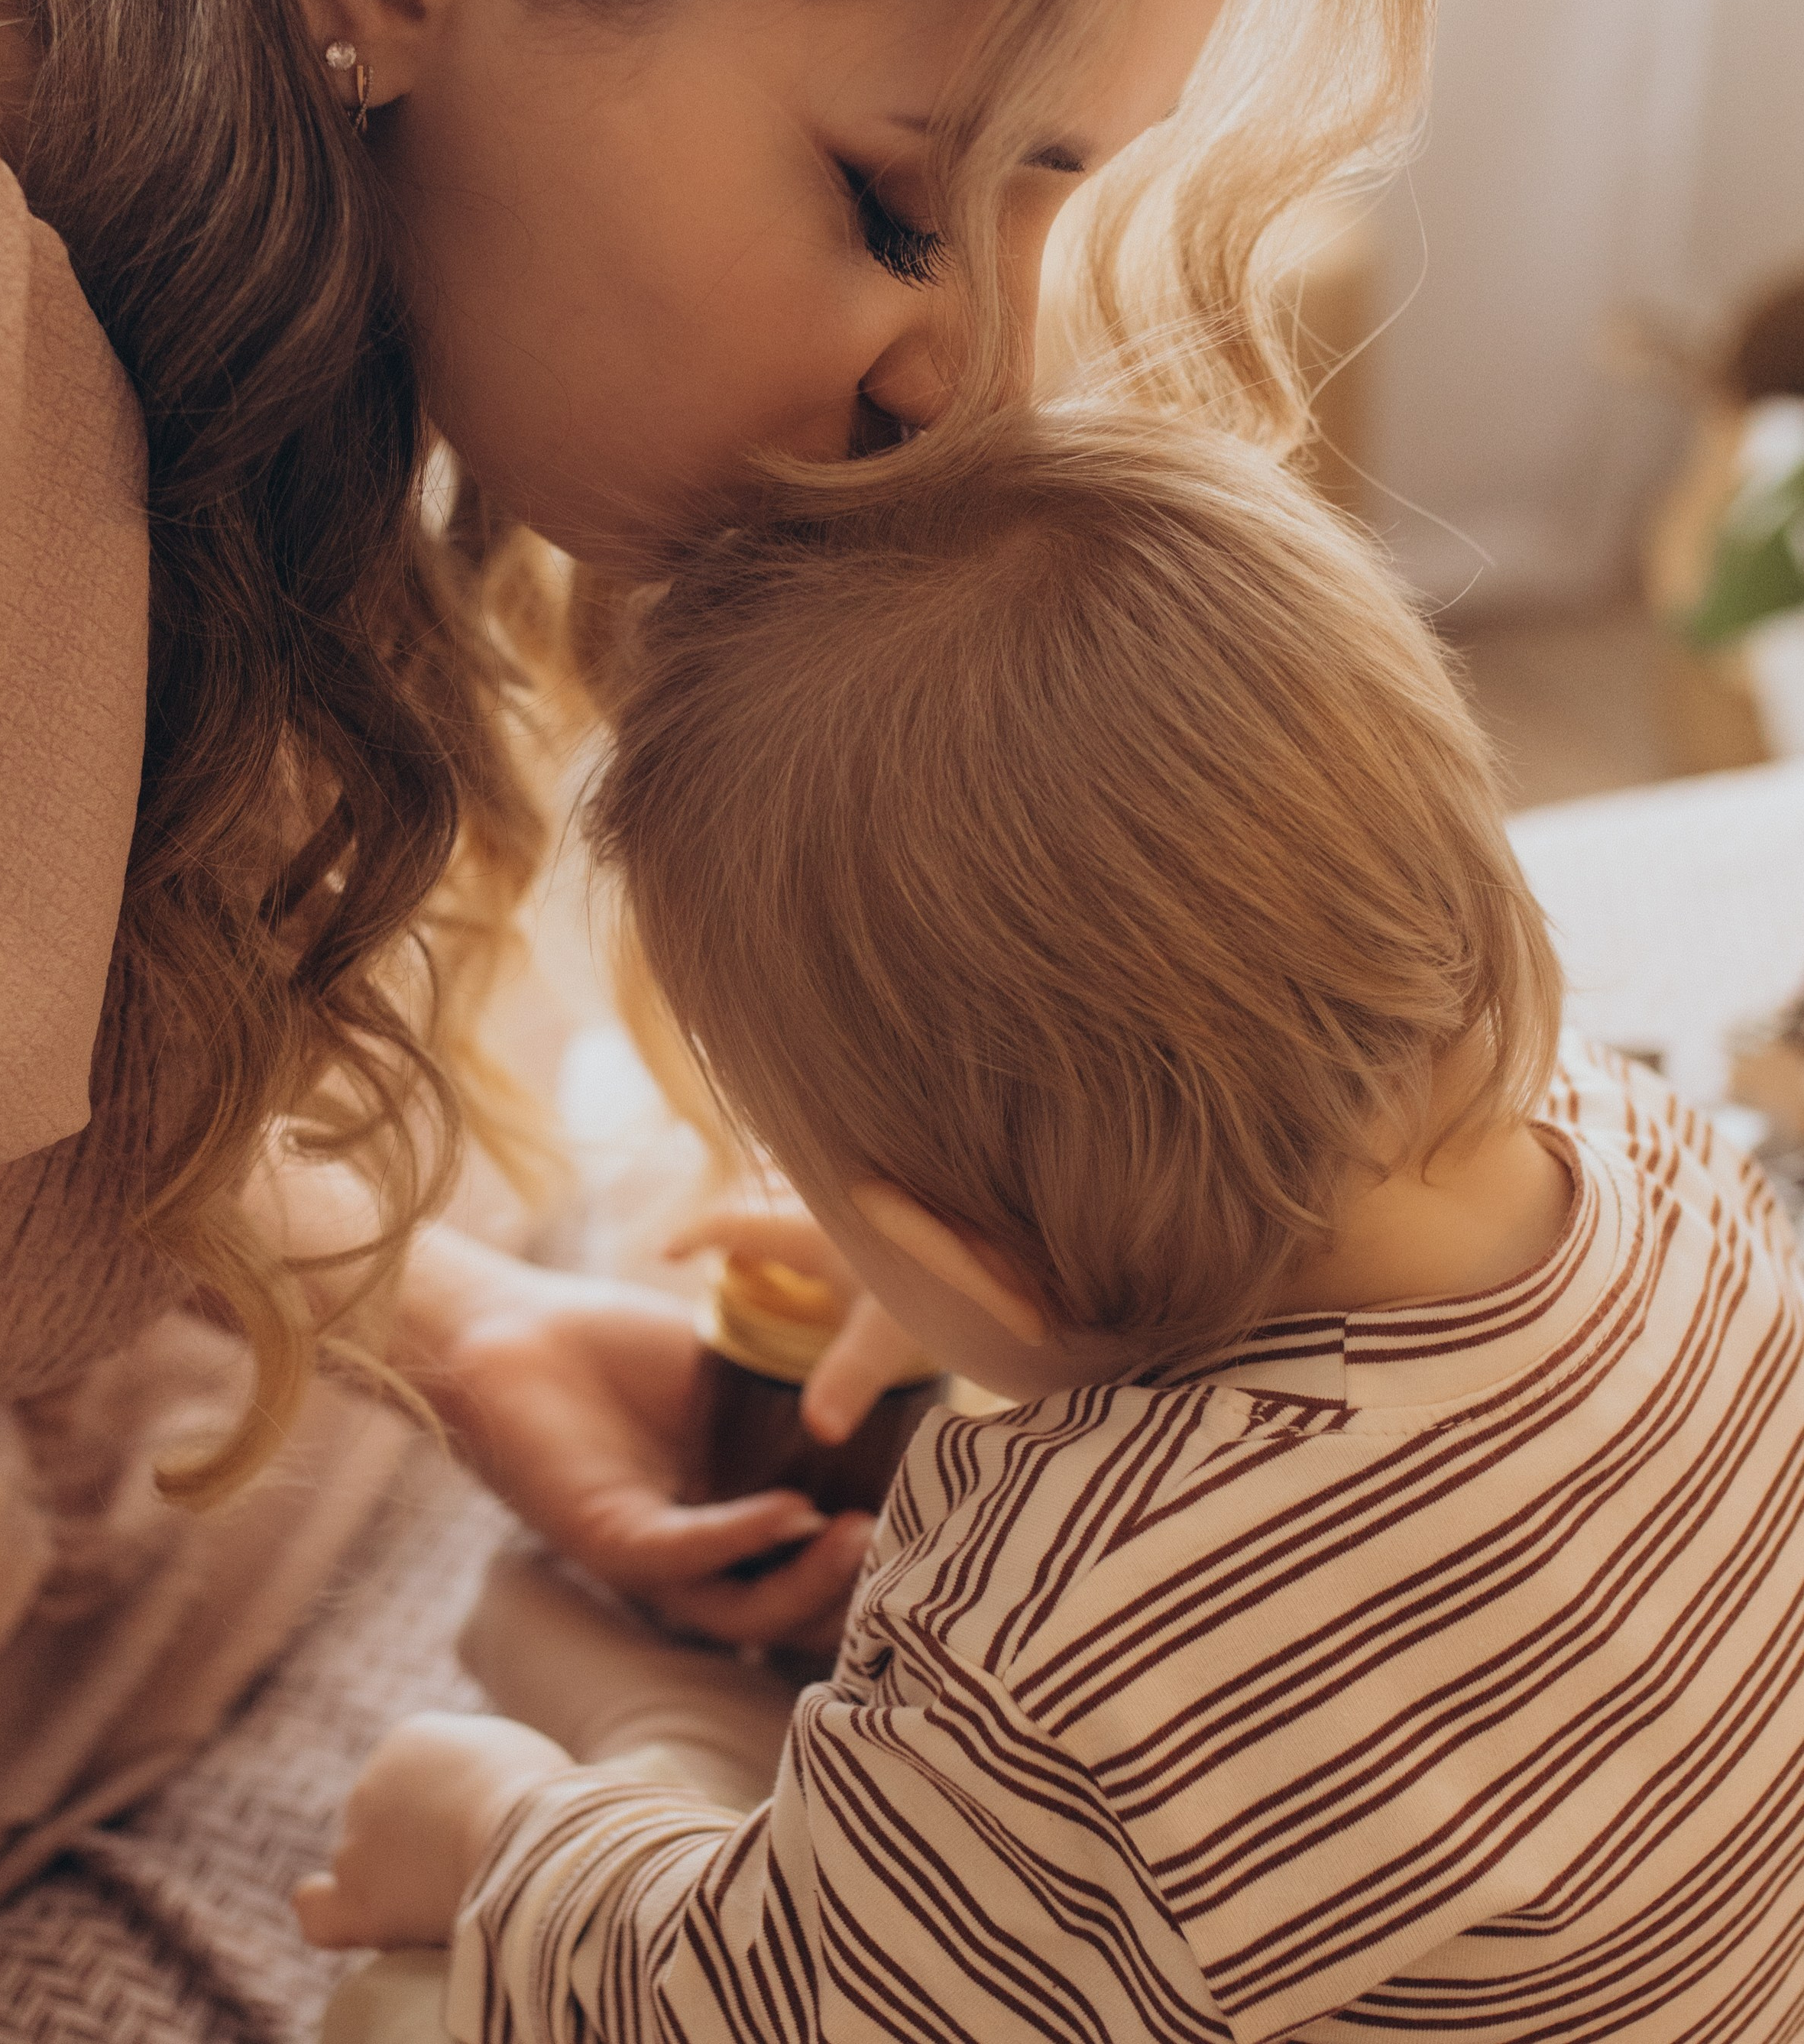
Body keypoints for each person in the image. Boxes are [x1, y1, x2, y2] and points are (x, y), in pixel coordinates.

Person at [0, 0, 1430, 1931]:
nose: (966, 379)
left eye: (1046, 199)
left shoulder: (224, 257)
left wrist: (433, 1317)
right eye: (895, 198)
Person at [299, 407, 1804, 2043]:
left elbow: (753, 2009)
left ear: (958, 1253)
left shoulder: (1076, 1621)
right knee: (579, 1648)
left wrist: (495, 1832)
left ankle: (631, 1747)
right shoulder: (1655, 1148)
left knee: (405, 1983)